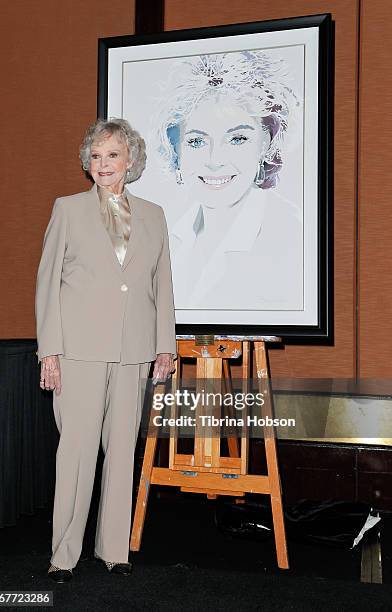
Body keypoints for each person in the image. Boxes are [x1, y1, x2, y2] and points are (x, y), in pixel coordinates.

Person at [35, 118, 176, 583]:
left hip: (134, 349)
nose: (103, 164)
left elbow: (162, 285)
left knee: (121, 454)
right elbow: (47, 284)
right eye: (95, 156)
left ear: (130, 160)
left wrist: (164, 344)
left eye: (112, 155)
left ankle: (114, 549)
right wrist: (49, 351)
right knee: (75, 453)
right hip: (78, 350)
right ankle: (63, 555)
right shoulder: (68, 210)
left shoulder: (154, 215)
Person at [154, 51, 303, 311]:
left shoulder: (295, 238)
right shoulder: (166, 239)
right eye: (197, 141)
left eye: (237, 139)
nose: (215, 160)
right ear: (176, 150)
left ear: (266, 144)